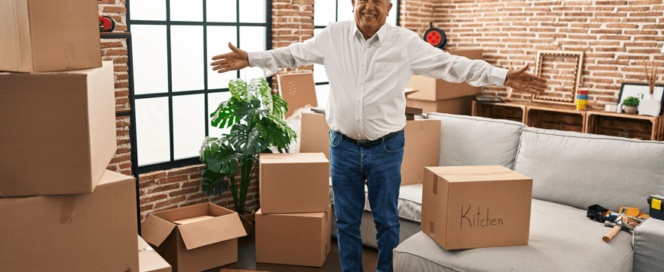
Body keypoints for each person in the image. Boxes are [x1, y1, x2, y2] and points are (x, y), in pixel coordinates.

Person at [210, 1, 548, 271]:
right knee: (346, 221)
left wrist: (502, 75)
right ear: (354, 3)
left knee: (387, 221)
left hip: (386, 149)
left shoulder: (405, 43)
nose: (370, 6)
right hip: (342, 148)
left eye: (379, 1)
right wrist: (252, 58)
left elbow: (452, 65)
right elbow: (292, 53)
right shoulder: (333, 35)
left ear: (389, 7)